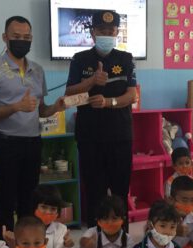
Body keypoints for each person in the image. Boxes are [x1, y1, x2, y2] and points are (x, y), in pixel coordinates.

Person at [0, 16, 66, 230]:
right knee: (7, 201)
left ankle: (28, 244)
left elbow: (41, 110)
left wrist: (56, 107)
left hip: (33, 143)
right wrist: (16, 107)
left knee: (30, 200)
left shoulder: (37, 70)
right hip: (6, 144)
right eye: (16, 36)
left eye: (27, 37)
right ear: (5, 37)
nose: (22, 41)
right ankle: (6, 246)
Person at [65, 10, 138, 226]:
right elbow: (69, 95)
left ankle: (122, 237)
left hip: (120, 137)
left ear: (116, 33)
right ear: (93, 32)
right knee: (94, 192)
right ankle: (94, 237)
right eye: (101, 30)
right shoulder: (80, 59)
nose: (106, 34)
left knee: (120, 191)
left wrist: (108, 102)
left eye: (111, 30)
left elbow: (131, 95)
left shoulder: (126, 59)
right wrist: (91, 82)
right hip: (90, 138)